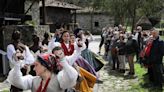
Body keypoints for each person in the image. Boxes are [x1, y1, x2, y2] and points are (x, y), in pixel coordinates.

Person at [7, 52, 78, 92]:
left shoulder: (59, 80)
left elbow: (71, 77)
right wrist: (16, 64)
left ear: (45, 66)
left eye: (36, 65)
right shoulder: (34, 81)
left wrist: (63, 61)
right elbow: (16, 81)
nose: (34, 69)